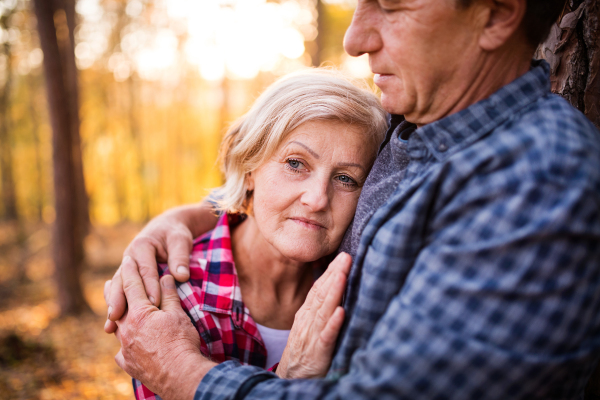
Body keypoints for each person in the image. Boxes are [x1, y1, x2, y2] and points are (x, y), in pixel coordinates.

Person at [105, 0, 600, 399]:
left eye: (391, 6)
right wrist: (175, 222)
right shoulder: (412, 129)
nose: (355, 39)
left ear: (495, 14)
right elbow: (275, 174)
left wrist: (181, 374)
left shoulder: (538, 179)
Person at [129, 69, 388, 399]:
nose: (318, 198)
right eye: (296, 164)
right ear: (249, 167)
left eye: (346, 179)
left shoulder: (360, 292)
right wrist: (288, 376)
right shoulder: (177, 294)